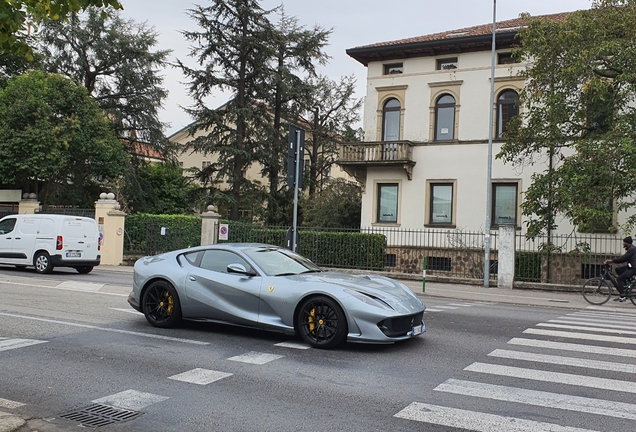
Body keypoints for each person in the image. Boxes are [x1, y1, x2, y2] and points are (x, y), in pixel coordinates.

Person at [604, 236, 636, 302]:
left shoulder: (631, 249)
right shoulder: (631, 248)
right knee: (618, 270)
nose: (622, 243)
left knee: (619, 279)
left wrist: (611, 261)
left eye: (623, 242)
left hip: (634, 268)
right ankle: (626, 285)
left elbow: (623, 258)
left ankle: (622, 296)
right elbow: (624, 258)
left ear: (626, 243)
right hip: (631, 266)